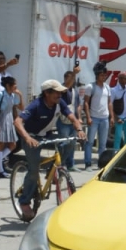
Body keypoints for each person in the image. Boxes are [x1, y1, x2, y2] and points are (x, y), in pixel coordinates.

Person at [14, 79, 85, 221]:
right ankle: (24, 201)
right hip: (32, 138)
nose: (60, 95)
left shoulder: (60, 103)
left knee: (70, 142)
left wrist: (79, 130)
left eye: (61, 92)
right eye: (57, 92)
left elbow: (72, 117)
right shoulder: (36, 105)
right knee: (33, 170)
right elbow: (17, 121)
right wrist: (27, 138)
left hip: (46, 135)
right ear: (47, 93)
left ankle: (54, 170)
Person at [83, 62, 115, 170]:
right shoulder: (90, 87)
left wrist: (111, 117)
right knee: (90, 142)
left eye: (105, 75)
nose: (104, 77)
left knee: (102, 143)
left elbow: (109, 102)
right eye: (102, 75)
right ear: (97, 75)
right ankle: (88, 163)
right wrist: (88, 117)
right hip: (94, 118)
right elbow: (86, 102)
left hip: (104, 118)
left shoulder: (107, 87)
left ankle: (101, 164)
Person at [0, 76, 20, 178]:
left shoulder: (13, 95)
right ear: (8, 85)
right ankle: (0, 170)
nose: (16, 86)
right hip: (2, 120)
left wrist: (17, 121)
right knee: (1, 145)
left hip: (10, 120)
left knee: (13, 145)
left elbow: (18, 108)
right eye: (14, 84)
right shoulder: (1, 94)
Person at [56, 68, 82, 171]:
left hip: (73, 121)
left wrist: (79, 118)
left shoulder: (75, 91)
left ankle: (70, 164)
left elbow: (78, 105)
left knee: (72, 143)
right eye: (69, 78)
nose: (72, 81)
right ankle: (59, 164)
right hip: (63, 121)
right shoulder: (62, 89)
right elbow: (66, 85)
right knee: (63, 143)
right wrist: (74, 73)